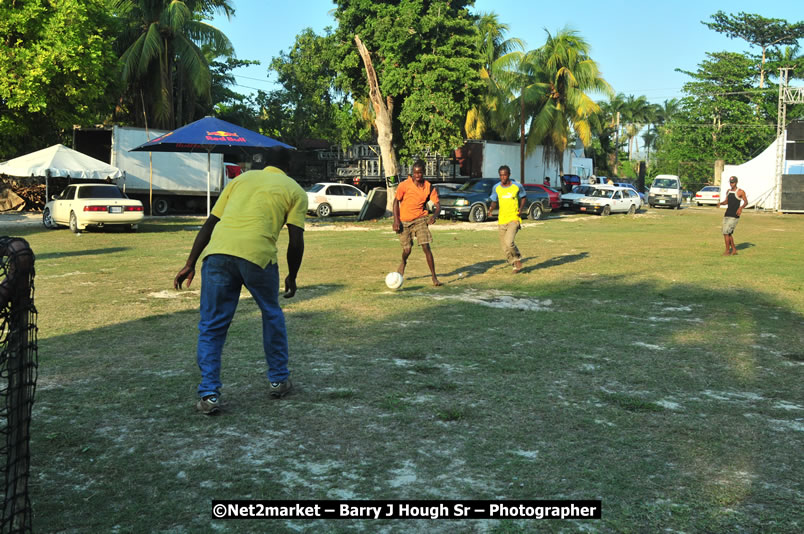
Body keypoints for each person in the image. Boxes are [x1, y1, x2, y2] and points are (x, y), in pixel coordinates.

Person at [174, 150, 307, 414]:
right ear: (288, 167)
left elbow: (210, 223)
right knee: (271, 314)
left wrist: (190, 263)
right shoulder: (295, 190)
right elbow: (295, 239)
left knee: (211, 326)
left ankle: (209, 394)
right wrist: (292, 275)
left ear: (267, 164)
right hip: (258, 257)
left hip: (217, 254)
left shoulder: (239, 181)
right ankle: (279, 380)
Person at [393, 160, 442, 286]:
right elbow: (395, 202)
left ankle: (434, 277)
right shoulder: (404, 185)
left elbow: (437, 206)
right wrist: (396, 220)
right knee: (407, 249)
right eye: (415, 173)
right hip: (404, 221)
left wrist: (434, 216)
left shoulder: (429, 187)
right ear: (412, 173)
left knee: (426, 246)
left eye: (419, 173)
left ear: (423, 173)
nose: (417, 175)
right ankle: (403, 262)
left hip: (420, 219)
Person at [487, 165, 527, 273]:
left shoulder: (517, 186)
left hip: (514, 219)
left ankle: (517, 258)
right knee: (505, 247)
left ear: (509, 175)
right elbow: (494, 200)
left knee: (509, 242)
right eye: (501, 175)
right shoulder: (496, 188)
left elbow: (523, 197)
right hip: (502, 220)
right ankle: (514, 264)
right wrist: (490, 210)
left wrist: (521, 209)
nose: (503, 177)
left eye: (505, 175)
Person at [719, 175, 748, 256]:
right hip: (727, 214)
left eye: (733, 182)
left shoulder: (741, 192)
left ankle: (727, 251)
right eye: (730, 182)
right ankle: (734, 250)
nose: (731, 184)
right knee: (728, 233)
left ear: (736, 182)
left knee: (725, 232)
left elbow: (746, 202)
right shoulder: (728, 191)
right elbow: (726, 201)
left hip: (735, 215)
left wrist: (741, 208)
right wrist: (720, 203)